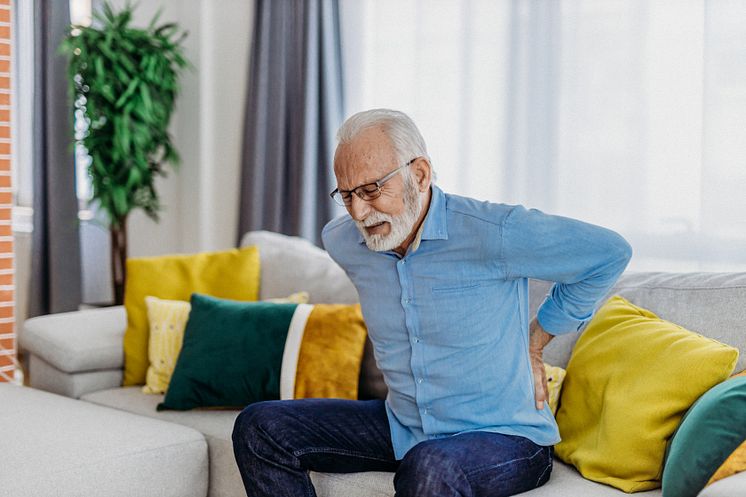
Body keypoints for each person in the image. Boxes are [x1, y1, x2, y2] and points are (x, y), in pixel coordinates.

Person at [232, 108, 633, 497]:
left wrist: (537, 338)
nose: (359, 211)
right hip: (403, 426)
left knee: (430, 464)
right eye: (347, 194)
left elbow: (608, 253)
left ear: (419, 174)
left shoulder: (494, 232)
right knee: (260, 426)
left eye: (372, 190)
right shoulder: (343, 241)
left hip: (506, 438)